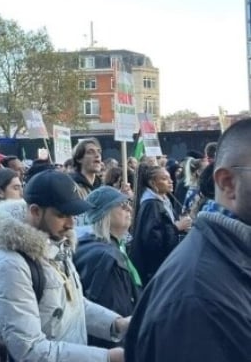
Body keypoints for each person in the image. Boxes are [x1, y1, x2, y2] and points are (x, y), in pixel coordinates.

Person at [125, 118, 251, 362]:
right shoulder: (198, 302)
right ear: (227, 183)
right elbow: (150, 241)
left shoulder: (232, 262)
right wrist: (174, 227)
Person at [0, 170, 130, 362]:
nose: (71, 224)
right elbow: (29, 350)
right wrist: (108, 357)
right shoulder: (10, 265)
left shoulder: (57, 243)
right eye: (62, 215)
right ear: (35, 212)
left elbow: (74, 305)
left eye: (74, 214)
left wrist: (116, 324)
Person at [73, 186, 141, 348]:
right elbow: (117, 312)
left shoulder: (96, 246)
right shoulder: (107, 258)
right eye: (122, 205)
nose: (130, 209)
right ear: (105, 213)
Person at [129, 164, 192, 287]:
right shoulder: (151, 205)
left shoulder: (163, 202)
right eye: (164, 179)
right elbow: (152, 242)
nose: (170, 181)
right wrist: (177, 228)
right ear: (153, 183)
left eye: (169, 177)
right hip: (155, 270)